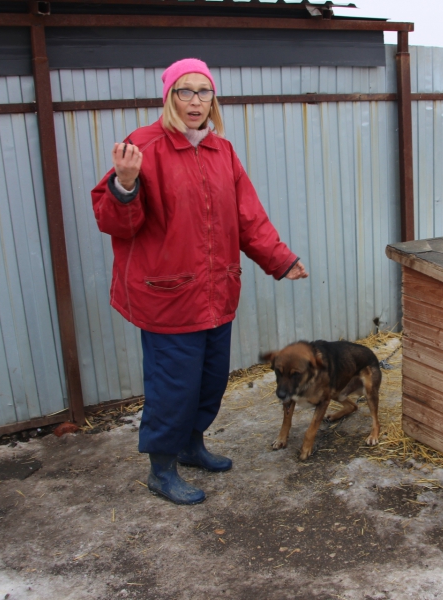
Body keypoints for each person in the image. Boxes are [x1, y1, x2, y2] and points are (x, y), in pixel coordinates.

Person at [91, 58, 308, 505]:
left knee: (210, 382)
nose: (195, 101)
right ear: (169, 97)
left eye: (203, 91)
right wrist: (125, 185)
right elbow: (116, 224)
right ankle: (161, 469)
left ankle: (191, 446)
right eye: (185, 91)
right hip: (168, 296)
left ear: (213, 99)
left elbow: (248, 217)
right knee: (173, 388)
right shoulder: (143, 146)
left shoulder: (221, 151)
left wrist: (280, 259)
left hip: (216, 292)